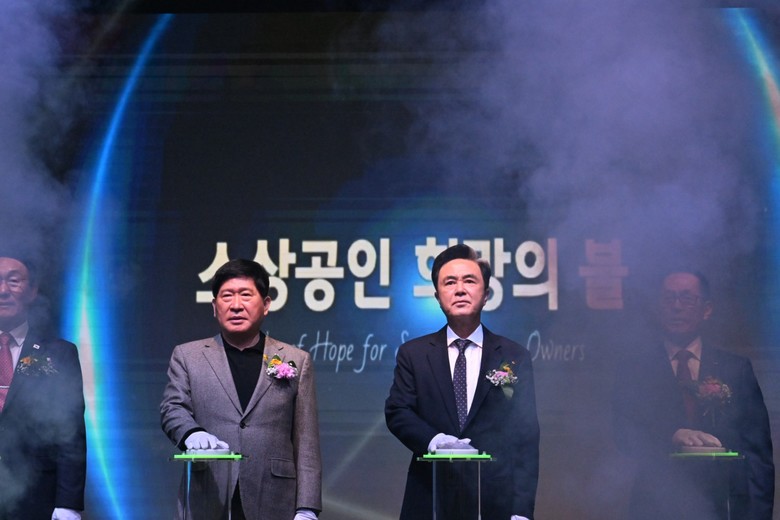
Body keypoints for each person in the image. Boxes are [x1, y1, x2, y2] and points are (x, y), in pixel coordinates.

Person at [385, 244, 540, 520]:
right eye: (449, 282)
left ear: (486, 294)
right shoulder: (414, 354)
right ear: (437, 296)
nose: (459, 290)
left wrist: (522, 512)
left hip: (495, 502)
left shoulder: (513, 356)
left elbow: (525, 436)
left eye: (469, 281)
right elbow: (398, 411)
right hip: (429, 498)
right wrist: (436, 441)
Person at [160, 258, 322, 520]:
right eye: (227, 296)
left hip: (274, 499)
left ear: (266, 304)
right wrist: (191, 433)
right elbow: (172, 408)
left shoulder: (296, 360)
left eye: (246, 295)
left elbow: (307, 442)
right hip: (208, 493)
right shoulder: (188, 356)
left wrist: (307, 508)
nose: (236, 305)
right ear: (214, 306)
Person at [612, 270, 774, 519]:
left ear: (706, 309)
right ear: (658, 307)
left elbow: (757, 454)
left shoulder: (735, 369)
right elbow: (624, 433)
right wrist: (672, 434)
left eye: (687, 299)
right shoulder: (635, 368)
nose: (676, 307)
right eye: (669, 298)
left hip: (720, 504)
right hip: (655, 506)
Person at [0, 256, 86, 520]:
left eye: (14, 281)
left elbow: (70, 431)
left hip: (35, 497)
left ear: (32, 291)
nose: (3, 290)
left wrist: (68, 502)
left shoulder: (58, 353)